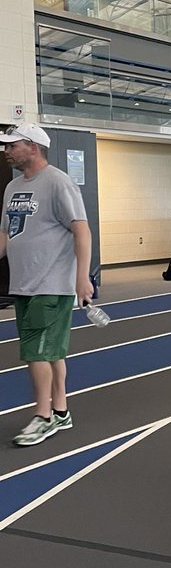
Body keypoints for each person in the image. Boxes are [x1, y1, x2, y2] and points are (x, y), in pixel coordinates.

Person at [0, 123, 93, 446]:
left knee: (35, 352)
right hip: (23, 284)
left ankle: (43, 417)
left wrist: (82, 278)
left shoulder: (58, 183)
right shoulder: (13, 188)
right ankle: (61, 410)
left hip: (51, 284)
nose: (7, 150)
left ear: (33, 147)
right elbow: (6, 232)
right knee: (51, 353)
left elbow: (81, 230)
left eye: (13, 145)